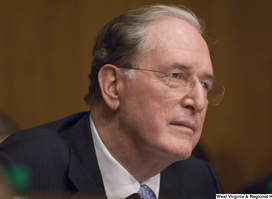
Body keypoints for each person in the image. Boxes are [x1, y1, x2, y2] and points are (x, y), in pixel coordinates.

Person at [0, 4, 224, 199]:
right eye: (176, 76)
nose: (199, 102)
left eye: (205, 85)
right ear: (113, 86)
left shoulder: (201, 180)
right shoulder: (21, 166)